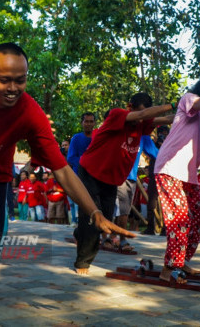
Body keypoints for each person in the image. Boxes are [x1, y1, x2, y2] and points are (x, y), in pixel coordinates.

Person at [0, 42, 133, 319]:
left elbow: (62, 170)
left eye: (20, 80)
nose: (13, 88)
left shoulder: (30, 112)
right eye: (4, 80)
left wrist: (95, 212)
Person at [73, 93, 174, 275]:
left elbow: (167, 119)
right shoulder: (116, 114)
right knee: (93, 218)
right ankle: (83, 262)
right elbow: (149, 115)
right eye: (140, 112)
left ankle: (79, 233)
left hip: (110, 179)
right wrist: (172, 104)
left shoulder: (141, 125)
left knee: (106, 219)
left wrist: (190, 108)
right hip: (90, 173)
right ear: (130, 106)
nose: (142, 117)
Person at [154, 75, 200, 283]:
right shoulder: (190, 98)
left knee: (199, 221)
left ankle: (180, 261)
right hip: (169, 168)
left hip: (188, 174)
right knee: (180, 219)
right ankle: (168, 269)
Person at [112, 135, 158, 251]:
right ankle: (120, 239)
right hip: (114, 176)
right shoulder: (119, 130)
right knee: (120, 210)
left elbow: (157, 154)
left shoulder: (143, 137)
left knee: (123, 210)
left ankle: (113, 237)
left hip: (130, 178)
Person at [67, 112, 96, 224]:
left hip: (95, 177)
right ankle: (80, 227)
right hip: (79, 176)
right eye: (86, 121)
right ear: (82, 123)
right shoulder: (76, 138)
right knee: (80, 204)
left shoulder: (97, 137)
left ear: (94, 123)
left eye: (91, 121)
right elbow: (71, 158)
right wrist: (86, 163)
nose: (88, 124)